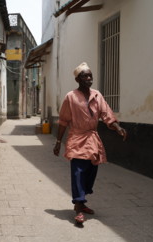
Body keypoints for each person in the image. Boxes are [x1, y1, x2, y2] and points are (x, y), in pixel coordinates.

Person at [53, 62, 127, 224]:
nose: (89, 78)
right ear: (78, 79)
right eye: (85, 76)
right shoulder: (70, 97)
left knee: (91, 171)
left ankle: (82, 200)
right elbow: (63, 121)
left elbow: (106, 114)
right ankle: (78, 207)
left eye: (90, 76)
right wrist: (58, 141)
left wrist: (117, 127)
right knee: (78, 171)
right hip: (77, 138)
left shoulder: (97, 95)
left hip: (92, 139)